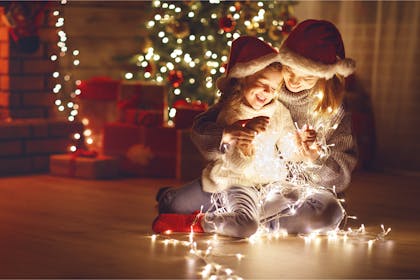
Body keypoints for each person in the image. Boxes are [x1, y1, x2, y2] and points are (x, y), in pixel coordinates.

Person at [154, 19, 358, 237]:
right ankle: (243, 219)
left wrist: (314, 158)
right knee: (174, 205)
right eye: (289, 71)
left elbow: (340, 177)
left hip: (291, 193)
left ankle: (242, 220)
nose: (295, 82)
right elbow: (203, 127)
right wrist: (228, 134)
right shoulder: (264, 84)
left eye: (307, 76)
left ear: (325, 74)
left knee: (330, 213)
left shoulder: (333, 110)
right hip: (240, 181)